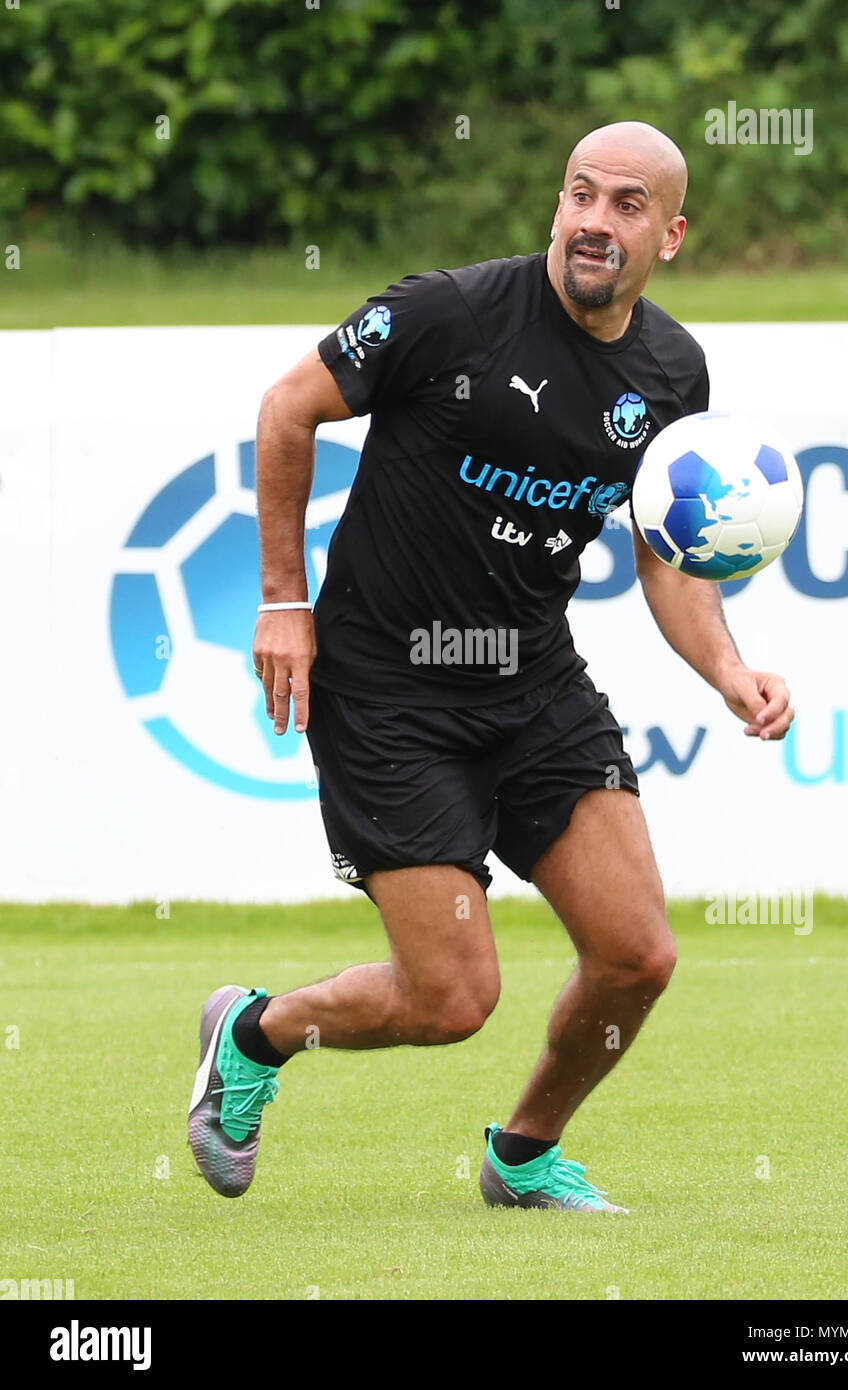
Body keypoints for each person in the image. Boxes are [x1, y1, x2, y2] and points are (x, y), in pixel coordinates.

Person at [188, 121, 793, 1210]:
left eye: (625, 206)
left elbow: (667, 557)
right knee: (452, 997)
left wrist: (728, 672)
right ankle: (254, 1031)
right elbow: (289, 408)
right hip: (389, 690)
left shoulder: (671, 372)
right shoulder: (447, 312)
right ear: (556, 206)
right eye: (581, 196)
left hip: (535, 683)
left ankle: (522, 1156)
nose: (595, 223)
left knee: (637, 957)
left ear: (672, 233)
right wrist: (285, 600)